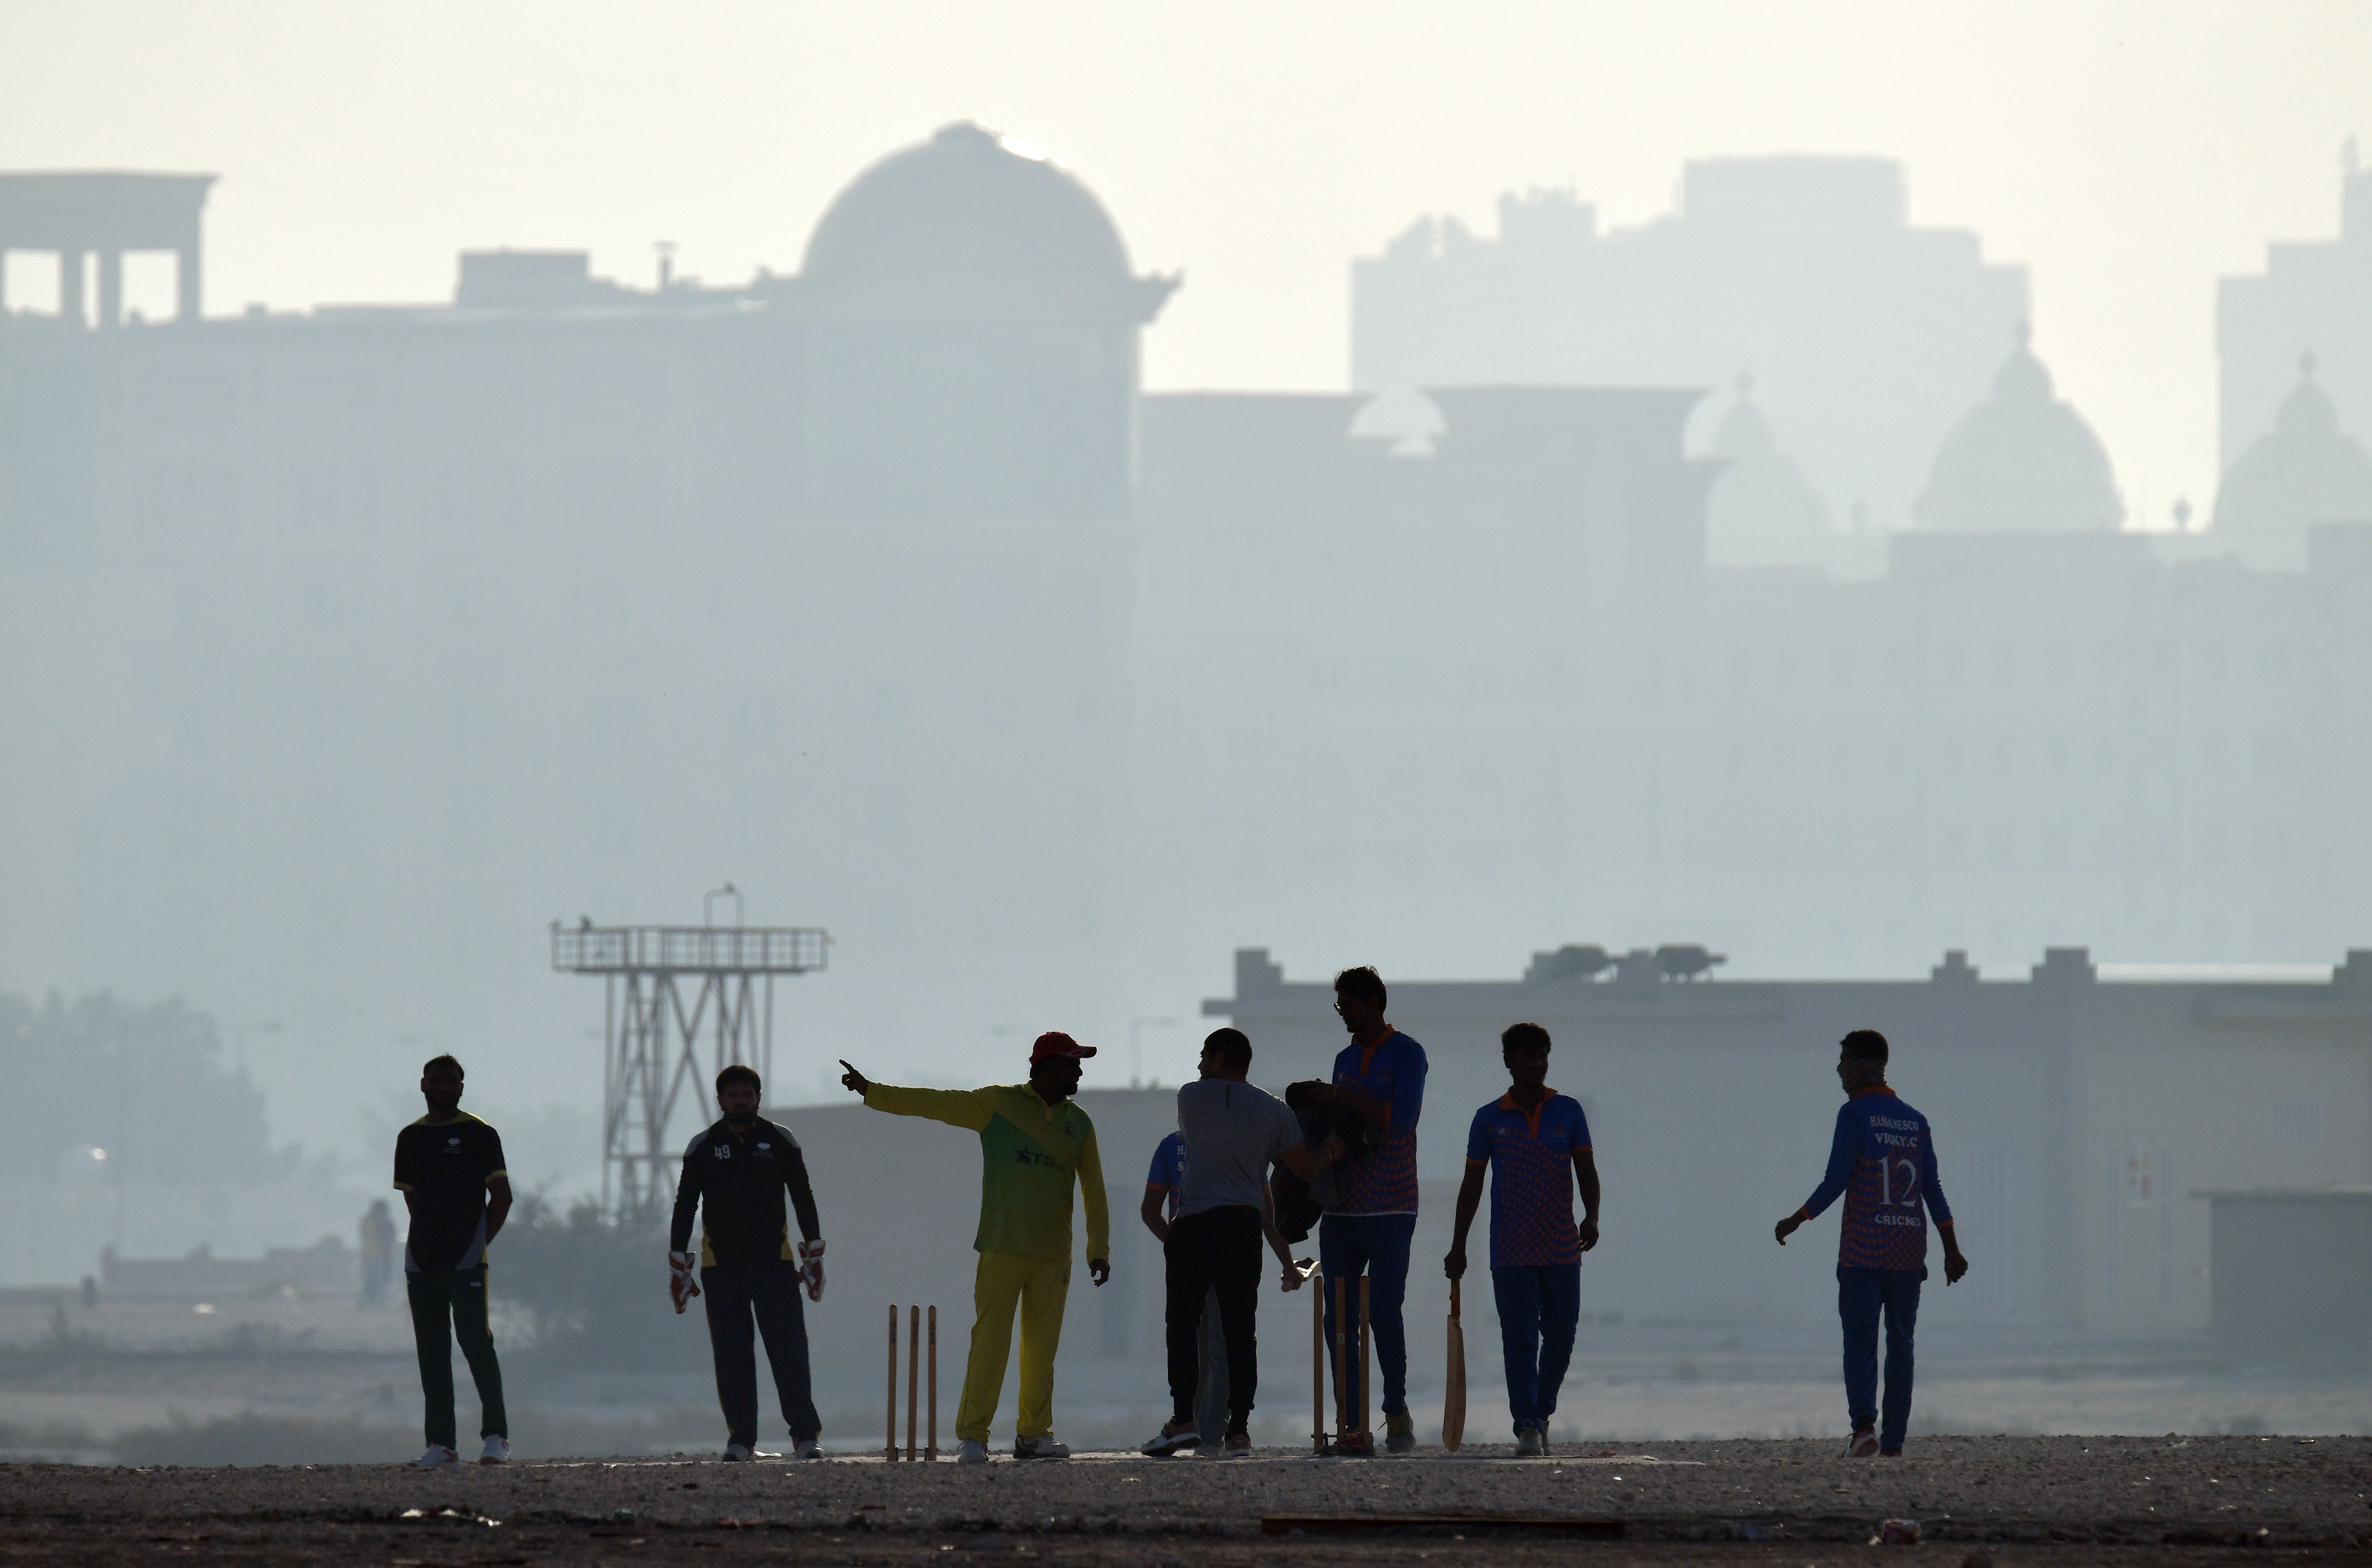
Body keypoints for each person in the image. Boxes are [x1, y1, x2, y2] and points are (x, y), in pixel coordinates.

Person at [839, 1033, 1110, 1463]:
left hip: (1053, 1253)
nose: (1079, 1071)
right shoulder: (997, 1105)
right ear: (1042, 1067)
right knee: (990, 1343)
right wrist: (873, 1092)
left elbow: (1094, 1190)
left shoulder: (1079, 1123)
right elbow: (935, 1103)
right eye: (1071, 1063)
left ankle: (1034, 1437)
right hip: (1002, 1246)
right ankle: (973, 1437)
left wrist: (1100, 1248)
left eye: (1080, 1064)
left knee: (1041, 1352)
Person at [1139, 1028, 1334, 1458]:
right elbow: (1303, 1168)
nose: (1199, 1065)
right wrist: (1334, 1148)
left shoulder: (1190, 1097)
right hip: (1243, 1225)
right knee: (1240, 1330)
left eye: (1205, 1055)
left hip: (1194, 1224)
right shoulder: (1275, 1111)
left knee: (1183, 1327)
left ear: (1222, 1058)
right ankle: (1239, 1430)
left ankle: (1182, 1418)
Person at [1775, 1028, 1969, 1458]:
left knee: (1860, 1341)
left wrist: (1798, 1218)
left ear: (1863, 1065)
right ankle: (1894, 1443)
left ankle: (1865, 1429)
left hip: (1863, 1251)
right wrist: (1950, 1248)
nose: (1839, 1070)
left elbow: (1836, 1181)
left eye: (1844, 1061)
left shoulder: (1855, 1115)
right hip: (1907, 1251)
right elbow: (1930, 1188)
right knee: (1902, 1344)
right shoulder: (1914, 1120)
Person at [1443, 1022, 1600, 1456]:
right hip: (1510, 1248)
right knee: (1520, 1338)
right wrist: (1458, 1245)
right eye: (1528, 1055)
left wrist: (1593, 1217)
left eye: (1543, 1055)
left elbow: (1585, 1169)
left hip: (1561, 1245)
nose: (1537, 1063)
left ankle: (1542, 1410)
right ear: (1509, 1061)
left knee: (1562, 1334)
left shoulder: (1568, 1112)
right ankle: (1527, 1423)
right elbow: (1472, 1185)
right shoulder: (1489, 1119)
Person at [1294, 965, 1427, 1454]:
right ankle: (1351, 1421)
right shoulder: (1344, 1059)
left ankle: (1396, 1412)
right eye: (1339, 1008)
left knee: (1386, 1310)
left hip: (1392, 1203)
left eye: (1348, 1007)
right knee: (1338, 1318)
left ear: (1373, 1002)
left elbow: (1401, 1118)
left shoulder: (1408, 1053)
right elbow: (1345, 1122)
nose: (1344, 1017)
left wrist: (1342, 1095)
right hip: (1342, 1206)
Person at [669, 1063, 828, 1462]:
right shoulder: (702, 1146)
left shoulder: (780, 1140)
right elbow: (685, 1205)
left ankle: (805, 1437)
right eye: (733, 1095)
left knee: (789, 1352)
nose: (741, 1101)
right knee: (733, 1356)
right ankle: (741, 1440)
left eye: (748, 1094)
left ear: (758, 1098)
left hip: (775, 1265)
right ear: (720, 1100)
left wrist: (814, 1250)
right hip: (721, 1268)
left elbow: (802, 1195)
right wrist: (677, 1264)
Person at [392, 1053, 512, 1468]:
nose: (443, 1088)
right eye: (436, 1081)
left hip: (466, 1258)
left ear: (462, 1087)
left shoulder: (480, 1134)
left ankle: (496, 1437)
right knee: (432, 1351)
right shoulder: (409, 1137)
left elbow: (502, 1197)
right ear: (422, 1085)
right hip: (421, 1259)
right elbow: (411, 1197)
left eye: (452, 1082)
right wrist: (431, 1235)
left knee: (476, 1343)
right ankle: (441, 1444)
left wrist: (478, 1243)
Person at [358, 1198, 397, 1309]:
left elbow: (362, 1235)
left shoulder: (365, 1220)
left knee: (368, 1279)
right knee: (380, 1280)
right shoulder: (383, 1221)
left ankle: (365, 1302)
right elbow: (389, 1238)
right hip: (379, 1254)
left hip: (366, 1253)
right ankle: (378, 1303)